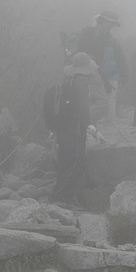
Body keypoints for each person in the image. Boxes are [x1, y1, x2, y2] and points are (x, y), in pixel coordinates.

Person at [53, 52, 99, 206]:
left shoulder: (68, 80)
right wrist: (91, 125)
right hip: (75, 127)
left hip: (63, 126)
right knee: (76, 160)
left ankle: (59, 193)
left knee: (64, 159)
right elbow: (83, 106)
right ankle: (65, 197)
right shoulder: (82, 82)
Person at [75, 11, 128, 125]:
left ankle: (84, 125)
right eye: (111, 24)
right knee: (100, 103)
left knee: (99, 102)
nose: (112, 27)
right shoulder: (91, 33)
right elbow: (82, 54)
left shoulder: (106, 37)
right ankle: (81, 124)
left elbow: (118, 59)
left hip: (97, 72)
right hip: (88, 72)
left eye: (114, 25)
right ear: (103, 21)